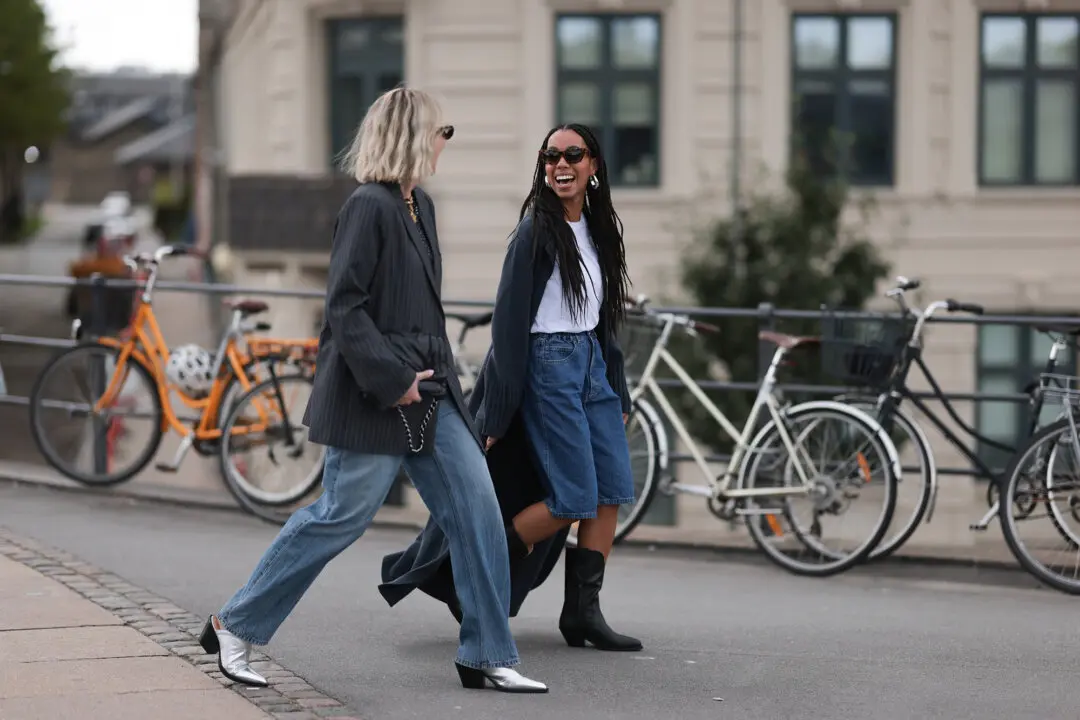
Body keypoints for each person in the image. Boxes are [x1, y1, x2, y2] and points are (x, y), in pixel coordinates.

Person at [197, 87, 547, 694]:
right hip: (377, 396)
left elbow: (423, 314)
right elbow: (344, 308)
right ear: (412, 136)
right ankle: (234, 624)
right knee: (340, 517)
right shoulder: (369, 205)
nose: (445, 144)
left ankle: (488, 652)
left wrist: (448, 387)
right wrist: (393, 382)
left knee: (479, 514)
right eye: (442, 132)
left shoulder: (421, 207)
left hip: (433, 394)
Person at [380, 123, 642, 652]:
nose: (560, 164)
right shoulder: (535, 233)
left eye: (573, 154)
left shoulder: (597, 228)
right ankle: (476, 582)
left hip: (591, 366)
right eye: (551, 156)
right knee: (572, 498)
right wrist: (495, 415)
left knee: (612, 491)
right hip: (548, 366)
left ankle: (582, 614)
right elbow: (508, 327)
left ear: (593, 165)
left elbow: (602, 319)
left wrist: (617, 386)